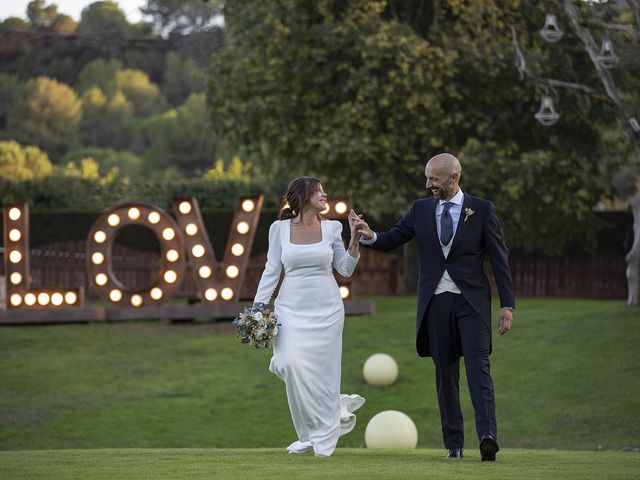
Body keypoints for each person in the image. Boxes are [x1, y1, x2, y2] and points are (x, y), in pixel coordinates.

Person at [355, 153, 515, 461]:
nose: (428, 184)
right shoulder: (421, 209)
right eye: (427, 178)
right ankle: (453, 444)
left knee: (479, 370)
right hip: (436, 304)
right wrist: (369, 235)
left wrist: (507, 305)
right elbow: (392, 239)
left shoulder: (481, 210)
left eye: (434, 178)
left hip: (472, 304)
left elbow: (499, 259)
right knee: (445, 373)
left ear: (454, 177)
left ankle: (487, 437)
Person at [252, 176, 365, 457]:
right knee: (288, 364)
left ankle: (316, 437)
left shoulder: (331, 228)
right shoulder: (278, 229)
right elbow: (270, 271)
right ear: (303, 197)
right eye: (319, 191)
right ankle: (317, 425)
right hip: (289, 310)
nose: (325, 194)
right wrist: (257, 310)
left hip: (327, 311)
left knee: (324, 377)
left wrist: (355, 240)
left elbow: (346, 269)